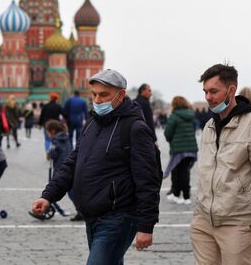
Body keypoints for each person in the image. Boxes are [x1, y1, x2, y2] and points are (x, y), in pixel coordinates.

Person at [30, 69, 161, 263]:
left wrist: (146, 225)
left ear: (121, 95)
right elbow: (73, 163)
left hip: (118, 216)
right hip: (93, 215)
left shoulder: (134, 128)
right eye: (94, 94)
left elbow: (148, 179)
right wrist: (48, 195)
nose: (98, 100)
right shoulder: (92, 123)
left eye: (104, 94)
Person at [191, 64, 251, 265]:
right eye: (205, 92)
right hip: (204, 221)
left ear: (231, 90)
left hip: (238, 222)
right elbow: (205, 171)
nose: (208, 97)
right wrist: (198, 213)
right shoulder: (209, 126)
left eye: (214, 91)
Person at [164, 96, 198, 205]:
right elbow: (193, 130)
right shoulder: (191, 115)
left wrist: (172, 140)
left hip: (178, 149)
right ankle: (185, 196)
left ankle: (179, 195)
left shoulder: (173, 117)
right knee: (185, 172)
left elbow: (167, 134)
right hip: (191, 149)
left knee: (177, 172)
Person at [39, 119, 76, 218]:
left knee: (58, 188)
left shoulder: (56, 140)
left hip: (60, 168)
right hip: (68, 166)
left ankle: (47, 205)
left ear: (52, 131)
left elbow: (54, 154)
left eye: (48, 132)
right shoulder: (65, 138)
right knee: (70, 190)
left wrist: (49, 153)